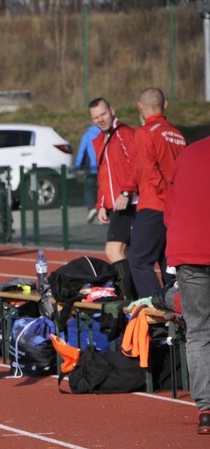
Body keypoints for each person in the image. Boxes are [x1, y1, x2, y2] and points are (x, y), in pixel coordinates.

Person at [164, 136, 210, 435]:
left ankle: (206, 409)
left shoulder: (188, 153)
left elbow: (169, 211)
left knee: (199, 331)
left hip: (187, 250)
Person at [131, 87, 185, 298]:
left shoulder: (144, 133)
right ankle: (176, 306)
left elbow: (149, 172)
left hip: (154, 204)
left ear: (140, 106)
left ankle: (155, 307)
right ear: (165, 105)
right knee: (167, 264)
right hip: (176, 208)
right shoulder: (178, 135)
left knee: (139, 260)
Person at [88, 97, 138, 301]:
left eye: (103, 114)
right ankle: (137, 298)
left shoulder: (125, 134)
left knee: (113, 250)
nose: (100, 119)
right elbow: (103, 175)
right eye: (96, 117)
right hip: (114, 205)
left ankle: (129, 300)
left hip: (130, 202)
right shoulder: (99, 141)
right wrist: (101, 204)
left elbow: (136, 164)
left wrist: (126, 192)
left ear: (112, 110)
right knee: (127, 253)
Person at [75, 123, 101, 222]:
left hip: (90, 167)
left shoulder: (87, 135)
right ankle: (104, 210)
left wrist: (78, 166)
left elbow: (81, 151)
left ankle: (92, 208)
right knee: (102, 189)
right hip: (103, 167)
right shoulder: (106, 133)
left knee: (89, 189)